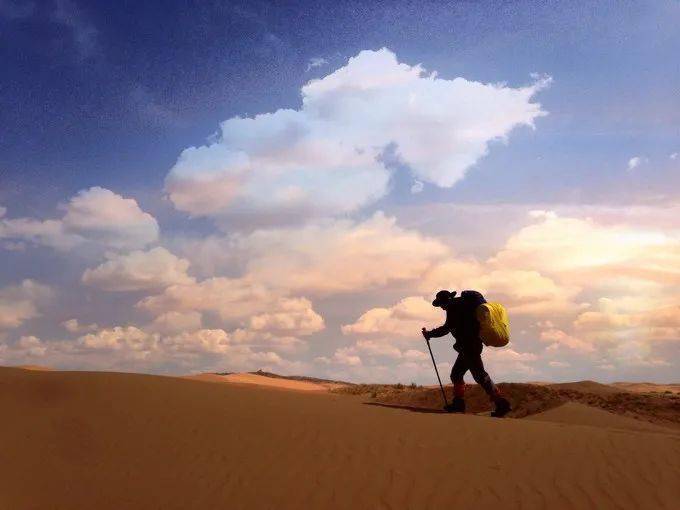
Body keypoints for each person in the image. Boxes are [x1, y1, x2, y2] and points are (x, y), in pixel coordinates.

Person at [422, 289, 511, 417]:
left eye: (441, 305)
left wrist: (430, 334)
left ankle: (501, 404)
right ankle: (459, 404)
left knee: (479, 375)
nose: (441, 308)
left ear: (445, 302)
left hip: (468, 346)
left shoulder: (453, 307)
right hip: (470, 346)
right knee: (457, 374)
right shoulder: (463, 305)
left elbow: (447, 328)